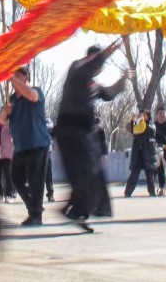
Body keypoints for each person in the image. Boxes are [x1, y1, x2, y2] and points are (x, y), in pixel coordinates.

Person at [52, 41, 130, 231]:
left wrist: (123, 80)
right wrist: (107, 52)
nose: (99, 68)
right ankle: (75, 210)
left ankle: (77, 212)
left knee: (92, 173)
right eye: (98, 63)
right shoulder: (76, 69)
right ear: (90, 58)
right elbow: (90, 66)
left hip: (85, 133)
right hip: (69, 129)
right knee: (82, 173)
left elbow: (109, 94)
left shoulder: (93, 83)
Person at [8, 67, 49, 225]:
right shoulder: (12, 99)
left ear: (27, 77)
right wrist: (4, 114)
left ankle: (36, 216)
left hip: (37, 143)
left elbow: (32, 96)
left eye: (20, 75)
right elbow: (3, 121)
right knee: (16, 179)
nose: (16, 78)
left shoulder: (36, 91)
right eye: (15, 74)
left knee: (35, 181)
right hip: (20, 146)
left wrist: (15, 80)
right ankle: (34, 207)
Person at [124, 109, 158, 197]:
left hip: (148, 153)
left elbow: (146, 129)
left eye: (144, 114)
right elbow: (131, 129)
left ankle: (152, 192)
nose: (142, 116)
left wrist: (141, 121)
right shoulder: (137, 124)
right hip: (138, 153)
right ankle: (128, 192)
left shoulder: (151, 125)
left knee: (149, 175)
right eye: (141, 114)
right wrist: (133, 121)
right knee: (134, 173)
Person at [0, 105, 15, 202]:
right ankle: (0, 194)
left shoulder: (10, 124)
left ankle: (9, 195)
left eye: (4, 111)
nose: (3, 113)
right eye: (1, 111)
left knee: (8, 174)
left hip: (7, 152)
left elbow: (14, 135)